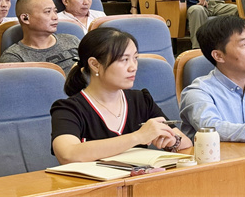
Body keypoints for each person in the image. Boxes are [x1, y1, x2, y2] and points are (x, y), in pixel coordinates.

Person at [50, 27, 192, 164]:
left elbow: (186, 143)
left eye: (135, 58)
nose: (133, 67)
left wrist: (173, 141)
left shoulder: (141, 100)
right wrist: (138, 137)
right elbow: (68, 154)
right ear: (95, 64)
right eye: (124, 60)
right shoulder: (69, 108)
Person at [0, 0, 80, 75]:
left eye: (55, 11)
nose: (55, 17)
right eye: (47, 12)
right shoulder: (14, 56)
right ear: (25, 18)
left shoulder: (72, 39)